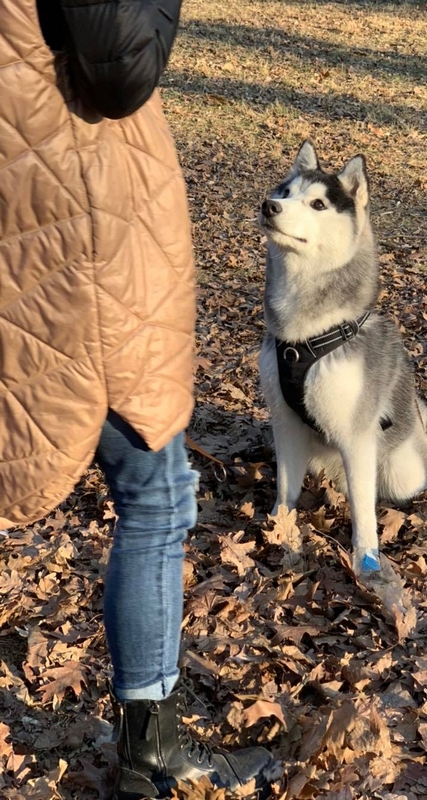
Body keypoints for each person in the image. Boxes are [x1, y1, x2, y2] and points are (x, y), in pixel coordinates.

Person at [0, 1, 277, 797]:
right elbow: (123, 67)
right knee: (155, 493)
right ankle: (150, 750)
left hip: (31, 206)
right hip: (76, 228)